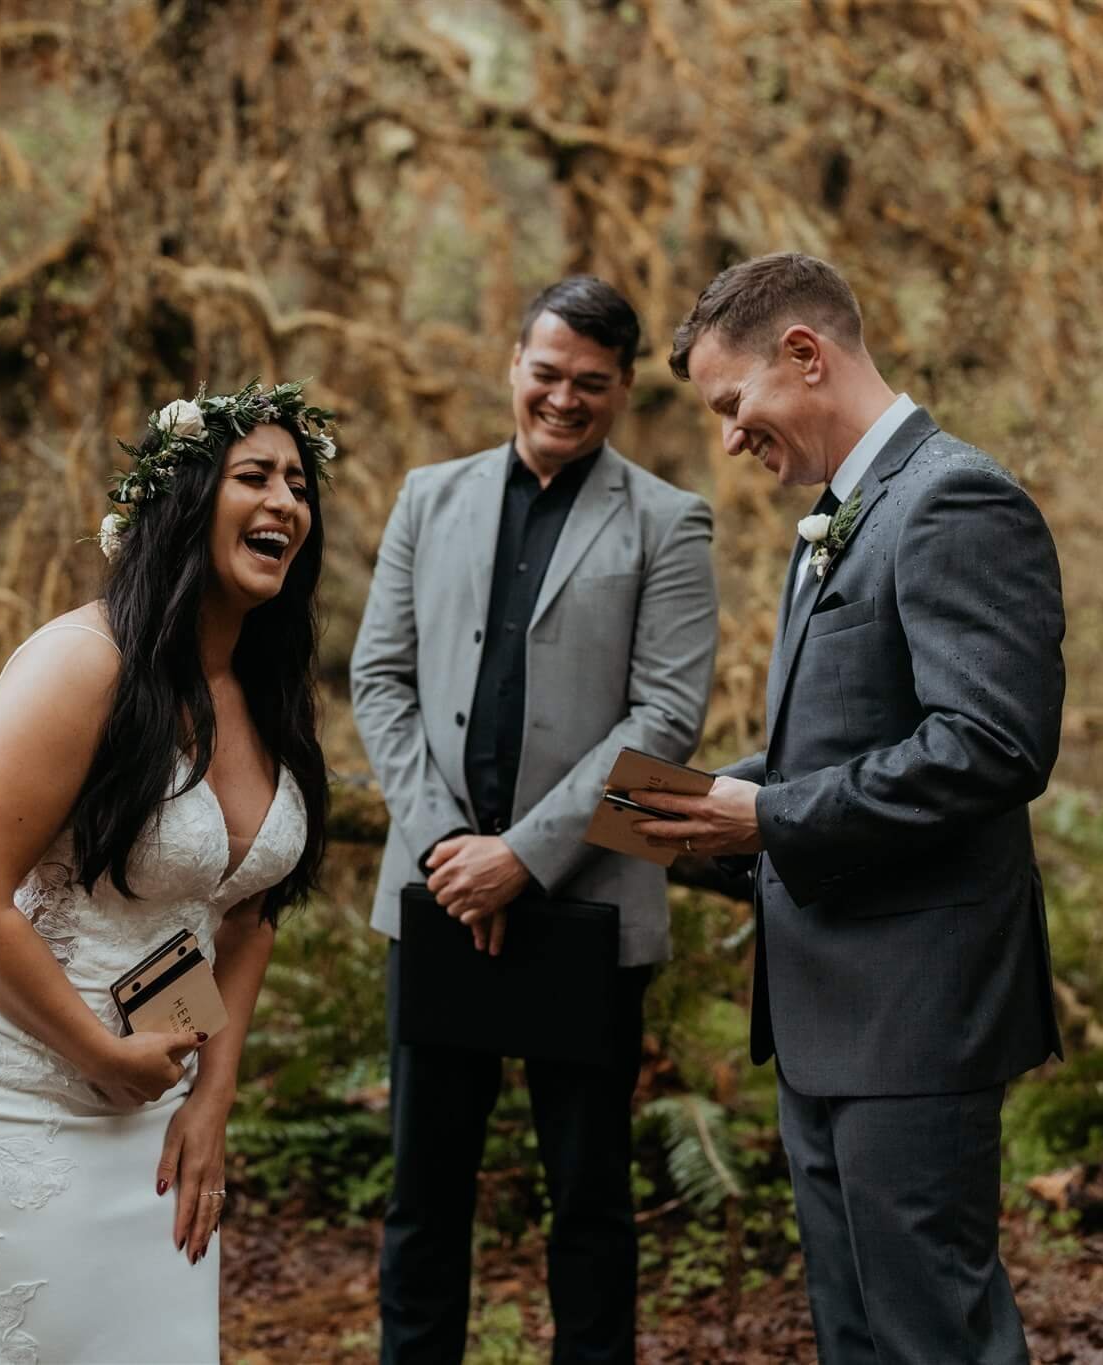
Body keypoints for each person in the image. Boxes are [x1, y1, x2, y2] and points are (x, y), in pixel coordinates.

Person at [0, 381, 336, 1364]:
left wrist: (209, 1099)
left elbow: (247, 916)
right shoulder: (81, 666)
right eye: (254, 477)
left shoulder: (268, 694)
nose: (284, 504)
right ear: (183, 498)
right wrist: (100, 1057)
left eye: (299, 487)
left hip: (154, 1096)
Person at [635, 252, 1065, 1365]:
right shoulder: (843, 514)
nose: (729, 437)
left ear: (804, 355)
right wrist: (629, 808)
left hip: (916, 1015)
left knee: (932, 1335)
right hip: (830, 1017)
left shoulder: (953, 497)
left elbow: (987, 745)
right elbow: (829, 746)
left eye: (734, 405)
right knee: (855, 1336)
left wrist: (765, 820)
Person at [350, 276, 719, 1362]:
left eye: (591, 385)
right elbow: (378, 679)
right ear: (513, 364)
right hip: (434, 899)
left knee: (590, 1201)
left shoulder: (668, 521)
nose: (564, 399)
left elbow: (667, 722)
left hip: (590, 905)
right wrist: (445, 852)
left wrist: (522, 858)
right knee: (423, 1197)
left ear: (619, 393)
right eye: (547, 374)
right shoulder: (427, 497)